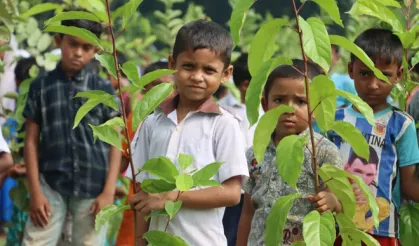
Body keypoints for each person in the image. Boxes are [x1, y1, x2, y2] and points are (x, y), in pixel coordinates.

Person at [128, 19, 249, 246]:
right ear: (173, 63)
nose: (197, 77)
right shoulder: (152, 123)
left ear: (226, 73)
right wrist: (139, 242)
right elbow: (143, 192)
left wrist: (172, 197)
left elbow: (232, 193)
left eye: (209, 70)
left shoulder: (225, 125)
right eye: (189, 66)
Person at [22, 13, 122, 246]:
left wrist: (109, 191)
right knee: (36, 240)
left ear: (96, 50)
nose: (78, 52)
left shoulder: (103, 88)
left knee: (89, 242)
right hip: (50, 183)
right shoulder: (42, 86)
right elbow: (30, 141)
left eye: (87, 47)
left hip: (93, 185)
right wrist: (35, 191)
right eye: (72, 44)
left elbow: (115, 142)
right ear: (59, 41)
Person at [236, 60, 344, 246]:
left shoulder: (324, 152)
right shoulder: (255, 153)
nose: (289, 108)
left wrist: (332, 200)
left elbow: (341, 204)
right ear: (265, 104)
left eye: (301, 101)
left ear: (316, 108)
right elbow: (247, 212)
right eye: (279, 100)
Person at [329, 28, 419, 245]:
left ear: (398, 75)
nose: (373, 84)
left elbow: (409, 185)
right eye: (364, 73)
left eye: (384, 75)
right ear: (351, 70)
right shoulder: (334, 120)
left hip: (382, 232)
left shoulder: (401, 124)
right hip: (336, 228)